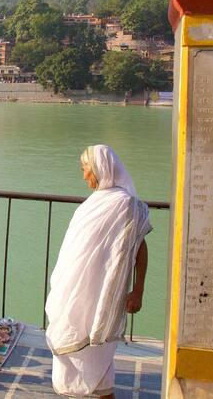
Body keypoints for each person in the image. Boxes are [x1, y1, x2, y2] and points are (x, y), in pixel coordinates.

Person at [45, 145, 151, 398]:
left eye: (85, 170)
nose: (84, 176)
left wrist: (138, 290)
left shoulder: (127, 206)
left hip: (103, 295)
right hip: (74, 292)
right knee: (69, 346)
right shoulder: (92, 204)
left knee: (100, 354)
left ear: (100, 170)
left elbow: (140, 248)